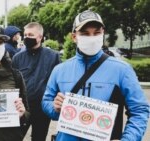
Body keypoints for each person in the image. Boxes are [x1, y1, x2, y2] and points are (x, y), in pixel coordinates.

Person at [42, 10, 150, 141]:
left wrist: (128, 139)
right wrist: (54, 107)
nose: (92, 38)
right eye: (85, 33)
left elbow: (139, 111)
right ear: (74, 36)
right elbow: (46, 102)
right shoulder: (59, 70)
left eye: (97, 33)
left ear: (103, 33)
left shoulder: (122, 70)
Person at [12, 22, 61, 141]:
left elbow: (58, 82)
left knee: (39, 138)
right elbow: (12, 83)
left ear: (40, 37)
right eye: (25, 35)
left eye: (30, 34)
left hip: (42, 110)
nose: (27, 37)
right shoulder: (17, 58)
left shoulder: (53, 56)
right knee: (14, 137)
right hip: (22, 109)